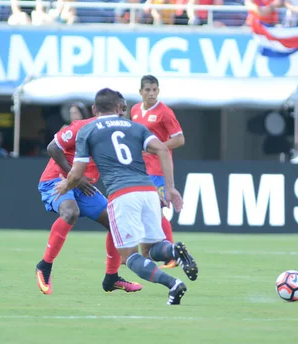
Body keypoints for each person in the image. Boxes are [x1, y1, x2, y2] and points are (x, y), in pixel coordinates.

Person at [54, 88, 198, 305]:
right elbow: (161, 149)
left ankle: (173, 284)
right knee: (151, 248)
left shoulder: (88, 129)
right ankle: (173, 249)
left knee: (129, 257)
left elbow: (77, 172)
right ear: (119, 108)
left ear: (94, 109)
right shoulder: (135, 126)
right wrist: (170, 188)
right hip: (148, 191)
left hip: (122, 195)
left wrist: (66, 184)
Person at [35, 93, 142, 295]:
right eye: (118, 109)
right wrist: (73, 176)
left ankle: (111, 278)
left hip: (83, 186)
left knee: (115, 222)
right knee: (70, 212)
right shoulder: (81, 127)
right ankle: (45, 266)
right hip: (57, 180)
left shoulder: (119, 135)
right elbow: (52, 148)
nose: (121, 113)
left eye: (124, 109)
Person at [130, 75, 185, 269]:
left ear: (158, 91)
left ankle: (171, 254)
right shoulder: (135, 110)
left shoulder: (165, 112)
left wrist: (157, 147)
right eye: (148, 90)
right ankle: (145, 252)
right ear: (140, 92)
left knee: (156, 211)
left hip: (158, 169)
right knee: (145, 211)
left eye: (155, 90)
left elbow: (179, 139)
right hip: (140, 169)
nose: (151, 93)